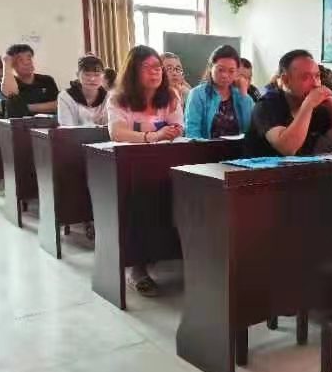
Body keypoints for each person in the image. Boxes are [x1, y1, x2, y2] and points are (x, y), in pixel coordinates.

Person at [107, 45, 183, 297]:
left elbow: (178, 127)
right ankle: (137, 267)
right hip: (130, 167)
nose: (155, 72)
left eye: (158, 67)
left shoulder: (170, 95)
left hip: (165, 162)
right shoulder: (118, 98)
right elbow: (117, 132)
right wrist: (153, 136)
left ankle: (175, 255)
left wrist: (170, 132)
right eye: (147, 67)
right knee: (141, 200)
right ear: (133, 71)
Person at [246, 49, 332, 157]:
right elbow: (287, 149)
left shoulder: (320, 108)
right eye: (305, 77)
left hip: (308, 167)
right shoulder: (266, 105)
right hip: (263, 167)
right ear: (286, 80)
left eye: (317, 76)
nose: (315, 84)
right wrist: (308, 105)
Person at [184, 45, 255, 139]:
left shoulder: (241, 96)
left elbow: (250, 130)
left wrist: (243, 94)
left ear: (237, 72)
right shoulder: (197, 94)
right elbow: (192, 133)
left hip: (238, 147)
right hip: (205, 147)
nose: (225, 75)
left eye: (231, 71)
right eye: (220, 70)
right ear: (211, 68)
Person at [0, 44, 58, 117]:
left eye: (29, 58)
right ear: (12, 64)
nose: (26, 63)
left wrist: (27, 107)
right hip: (20, 123)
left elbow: (57, 105)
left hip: (47, 122)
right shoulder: (7, 82)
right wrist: (6, 64)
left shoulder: (47, 80)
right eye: (20, 60)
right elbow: (10, 92)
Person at [57, 55, 108, 126]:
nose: (92, 79)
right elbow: (66, 127)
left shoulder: (109, 97)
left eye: (97, 75)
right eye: (87, 75)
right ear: (78, 75)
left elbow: (112, 126)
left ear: (103, 76)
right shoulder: (66, 97)